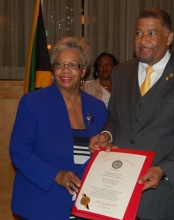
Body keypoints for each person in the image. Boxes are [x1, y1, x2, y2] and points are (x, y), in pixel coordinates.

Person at [89, 8, 174, 220]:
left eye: (152, 33)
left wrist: (163, 169)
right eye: (138, 33)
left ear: (169, 37)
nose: (143, 40)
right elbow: (114, 118)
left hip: (161, 197)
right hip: (117, 192)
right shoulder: (121, 72)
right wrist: (106, 136)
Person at [9, 37, 108, 219]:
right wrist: (56, 175)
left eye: (73, 65)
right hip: (43, 203)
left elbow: (103, 150)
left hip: (87, 204)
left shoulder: (98, 107)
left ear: (84, 71)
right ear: (53, 69)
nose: (65, 70)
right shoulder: (33, 103)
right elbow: (19, 151)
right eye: (59, 64)